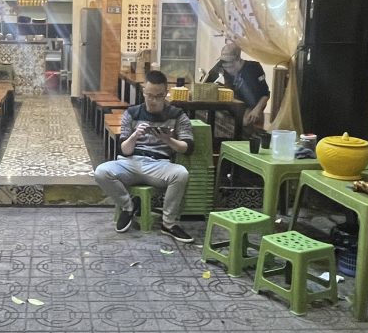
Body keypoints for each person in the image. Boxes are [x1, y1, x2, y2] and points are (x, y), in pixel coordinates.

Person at [94, 70, 195, 242]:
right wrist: (135, 136)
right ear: (144, 92)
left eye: (159, 96)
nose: (153, 100)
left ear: (165, 93)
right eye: (150, 96)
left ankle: (168, 224)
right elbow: (124, 150)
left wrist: (168, 139)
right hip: (131, 161)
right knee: (101, 172)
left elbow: (188, 148)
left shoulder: (177, 115)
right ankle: (128, 206)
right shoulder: (132, 113)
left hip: (159, 164)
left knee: (181, 173)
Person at [203, 41, 269, 131]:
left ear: (238, 59)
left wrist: (257, 110)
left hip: (252, 108)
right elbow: (206, 82)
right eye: (224, 62)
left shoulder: (254, 68)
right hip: (234, 106)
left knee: (248, 124)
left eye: (229, 62)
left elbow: (265, 94)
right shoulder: (223, 65)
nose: (226, 66)